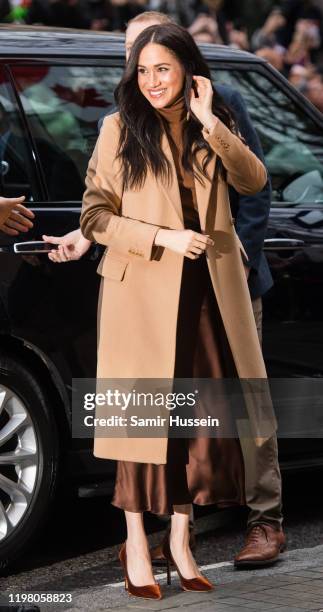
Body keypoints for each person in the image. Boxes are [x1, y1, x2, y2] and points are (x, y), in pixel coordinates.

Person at [45, 10, 286, 569]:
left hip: (220, 281)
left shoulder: (217, 105)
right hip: (151, 286)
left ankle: (262, 519)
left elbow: (254, 184)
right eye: (136, 62)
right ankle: (171, 537)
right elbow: (103, 208)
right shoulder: (120, 123)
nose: (145, 73)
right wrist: (143, 238)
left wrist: (237, 257)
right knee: (157, 417)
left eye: (158, 62)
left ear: (183, 59)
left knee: (231, 410)